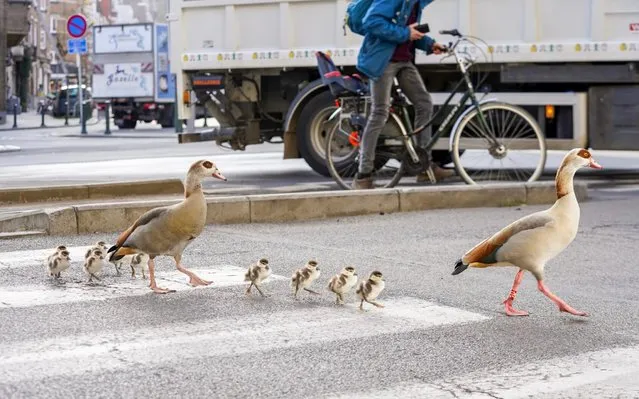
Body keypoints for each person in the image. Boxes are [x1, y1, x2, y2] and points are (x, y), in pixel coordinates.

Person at [352, 0, 455, 189]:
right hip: (383, 61)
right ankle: (363, 175)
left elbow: (408, 30)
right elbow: (372, 22)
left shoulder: (416, 3)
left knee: (424, 104)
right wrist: (406, 33)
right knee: (379, 113)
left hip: (404, 61)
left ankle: (424, 167)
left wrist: (430, 44)